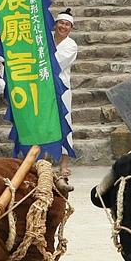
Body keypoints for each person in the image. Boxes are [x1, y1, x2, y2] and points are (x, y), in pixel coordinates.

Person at [53, 10, 77, 175]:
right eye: (60, 23)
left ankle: (63, 164)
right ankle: (40, 160)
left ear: (71, 27)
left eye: (66, 24)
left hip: (61, 88)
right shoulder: (45, 40)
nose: (63, 26)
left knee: (64, 122)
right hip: (42, 86)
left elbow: (56, 62)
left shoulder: (71, 45)